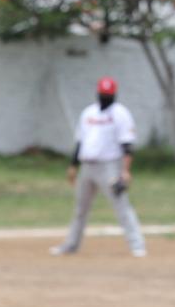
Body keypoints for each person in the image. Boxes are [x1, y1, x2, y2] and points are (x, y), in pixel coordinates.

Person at [51, 76, 147, 258]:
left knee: (121, 206)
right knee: (80, 209)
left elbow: (127, 145)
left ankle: (137, 245)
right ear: (98, 93)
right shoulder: (89, 113)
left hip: (109, 166)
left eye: (108, 94)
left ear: (114, 95)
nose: (105, 97)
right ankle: (71, 245)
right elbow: (80, 141)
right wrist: (73, 166)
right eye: (103, 94)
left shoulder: (120, 113)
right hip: (87, 166)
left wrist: (125, 171)